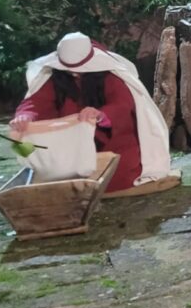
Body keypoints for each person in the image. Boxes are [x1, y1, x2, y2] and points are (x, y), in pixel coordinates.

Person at [10, 32, 178, 195]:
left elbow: (122, 104)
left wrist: (100, 115)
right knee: (55, 172)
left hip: (111, 142)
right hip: (71, 145)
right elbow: (36, 102)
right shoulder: (56, 77)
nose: (74, 73)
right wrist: (25, 116)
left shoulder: (110, 76)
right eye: (69, 70)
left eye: (79, 70)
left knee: (112, 176)